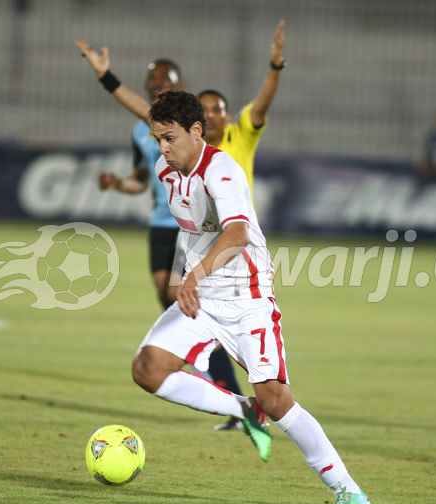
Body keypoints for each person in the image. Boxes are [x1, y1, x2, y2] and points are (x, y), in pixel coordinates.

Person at [131, 89, 371, 504]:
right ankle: (243, 410)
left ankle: (347, 489)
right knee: (147, 369)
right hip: (203, 298)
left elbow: (237, 234)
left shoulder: (221, 169)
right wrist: (188, 275)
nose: (163, 148)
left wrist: (191, 276)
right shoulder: (164, 172)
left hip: (248, 298)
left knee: (277, 401)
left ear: (196, 130)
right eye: (158, 139)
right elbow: (193, 232)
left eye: (170, 138)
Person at [76, 20, 286, 430]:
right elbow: (144, 115)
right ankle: (230, 397)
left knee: (194, 303)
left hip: (230, 241)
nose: (211, 116)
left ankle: (237, 396)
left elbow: (262, 104)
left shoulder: (236, 138)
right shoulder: (168, 143)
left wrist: (276, 66)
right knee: (174, 297)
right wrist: (107, 78)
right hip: (180, 229)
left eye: (216, 110)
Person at [95, 58, 184, 309]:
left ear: (181, 84)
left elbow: (145, 113)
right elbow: (140, 180)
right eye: (152, 78)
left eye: (166, 78)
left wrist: (106, 77)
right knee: (164, 296)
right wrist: (118, 183)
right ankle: (190, 347)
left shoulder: (190, 123)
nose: (158, 84)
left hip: (190, 221)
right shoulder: (139, 132)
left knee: (177, 294)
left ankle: (213, 348)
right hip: (161, 221)